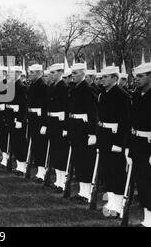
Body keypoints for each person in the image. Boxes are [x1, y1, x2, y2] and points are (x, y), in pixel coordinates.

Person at [97, 66, 131, 218]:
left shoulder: (122, 95)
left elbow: (125, 122)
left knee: (116, 171)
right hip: (104, 135)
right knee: (106, 170)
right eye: (102, 77)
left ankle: (117, 206)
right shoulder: (103, 94)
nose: (102, 79)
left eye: (106, 77)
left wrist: (119, 143)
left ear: (114, 78)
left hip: (115, 137)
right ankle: (111, 202)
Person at [67, 62, 98, 203]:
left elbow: (93, 113)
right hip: (75, 127)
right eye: (72, 73)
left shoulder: (88, 89)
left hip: (84, 129)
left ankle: (86, 194)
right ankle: (81, 191)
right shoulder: (75, 88)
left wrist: (92, 133)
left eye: (75, 73)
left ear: (83, 74)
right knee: (78, 160)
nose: (72, 76)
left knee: (85, 161)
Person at [127, 62, 151, 227]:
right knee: (142, 182)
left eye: (141, 76)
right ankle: (147, 218)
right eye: (136, 76)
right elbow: (131, 123)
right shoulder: (136, 95)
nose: (137, 80)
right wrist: (128, 147)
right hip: (137, 144)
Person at [46, 63, 69, 192]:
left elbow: (66, 108)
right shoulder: (52, 86)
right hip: (53, 122)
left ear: (60, 72)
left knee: (61, 152)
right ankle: (58, 179)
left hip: (60, 123)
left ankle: (63, 181)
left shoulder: (64, 87)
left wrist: (66, 127)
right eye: (50, 73)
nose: (51, 75)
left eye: (53, 73)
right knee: (54, 151)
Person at [27, 64, 49, 183]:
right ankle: (39, 170)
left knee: (41, 146)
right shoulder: (33, 85)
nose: (29, 74)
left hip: (40, 119)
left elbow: (45, 106)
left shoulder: (43, 85)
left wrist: (44, 124)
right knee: (35, 144)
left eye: (32, 72)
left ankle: (42, 171)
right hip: (33, 118)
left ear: (39, 73)